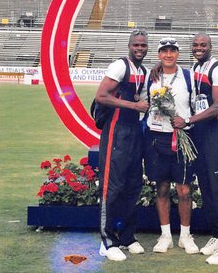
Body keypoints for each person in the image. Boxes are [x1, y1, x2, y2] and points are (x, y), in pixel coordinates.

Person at [172, 33, 218, 265]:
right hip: (201, 132)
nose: (199, 48)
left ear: (211, 47)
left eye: (203, 45)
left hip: (217, 132)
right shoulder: (196, 66)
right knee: (207, 187)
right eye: (196, 45)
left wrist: (189, 120)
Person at [95, 29, 149, 262]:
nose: (139, 48)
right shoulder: (120, 66)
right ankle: (107, 241)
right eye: (136, 45)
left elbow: (138, 96)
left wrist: (138, 102)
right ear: (129, 46)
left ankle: (127, 236)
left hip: (134, 132)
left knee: (133, 184)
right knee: (112, 186)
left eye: (143, 45)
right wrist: (133, 105)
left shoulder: (143, 70)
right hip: (116, 132)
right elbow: (101, 96)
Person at [145, 37, 199, 254]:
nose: (168, 55)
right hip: (157, 138)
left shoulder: (189, 76)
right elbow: (143, 102)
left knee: (184, 190)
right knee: (162, 188)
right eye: (164, 51)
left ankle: (185, 236)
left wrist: (186, 121)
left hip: (183, 137)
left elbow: (198, 103)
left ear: (178, 54)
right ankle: (165, 235)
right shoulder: (152, 76)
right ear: (159, 55)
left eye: (173, 51)